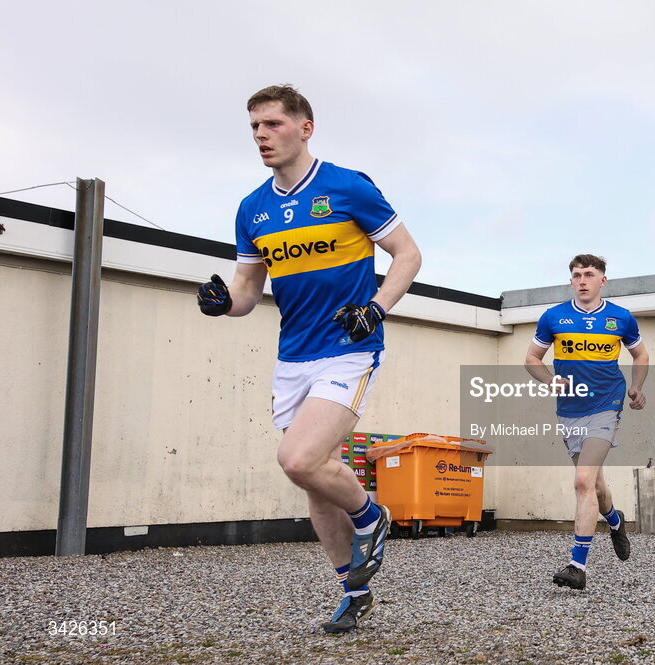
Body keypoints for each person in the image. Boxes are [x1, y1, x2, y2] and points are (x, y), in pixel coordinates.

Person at [197, 84, 421, 633]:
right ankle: (355, 588)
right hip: (292, 358)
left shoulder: (348, 186)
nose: (260, 136)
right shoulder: (253, 208)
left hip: (348, 350)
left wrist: (376, 308)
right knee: (314, 483)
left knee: (298, 459)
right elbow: (249, 290)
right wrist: (225, 304)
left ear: (305, 127)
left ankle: (372, 515)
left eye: (272, 124)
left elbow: (408, 254)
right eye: (254, 127)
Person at [524, 254, 649, 590]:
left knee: (581, 480)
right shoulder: (554, 318)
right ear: (571, 281)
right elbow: (532, 359)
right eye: (577, 275)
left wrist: (636, 387)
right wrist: (549, 380)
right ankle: (615, 520)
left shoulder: (620, 318)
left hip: (607, 404)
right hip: (569, 410)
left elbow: (641, 354)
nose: (582, 280)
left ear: (602, 281)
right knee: (595, 487)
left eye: (589, 274)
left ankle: (577, 566)